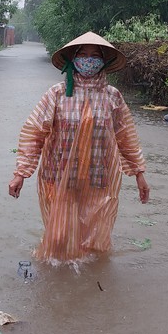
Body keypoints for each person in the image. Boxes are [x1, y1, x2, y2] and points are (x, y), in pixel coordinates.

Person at [9, 31, 150, 264]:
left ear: (103, 61)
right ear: (72, 60)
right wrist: (20, 174)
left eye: (94, 55)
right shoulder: (57, 94)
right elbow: (34, 133)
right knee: (59, 239)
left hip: (97, 177)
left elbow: (126, 137)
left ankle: (88, 282)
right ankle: (57, 278)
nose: (88, 60)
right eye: (82, 54)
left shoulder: (112, 97)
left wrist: (139, 175)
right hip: (59, 175)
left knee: (92, 240)